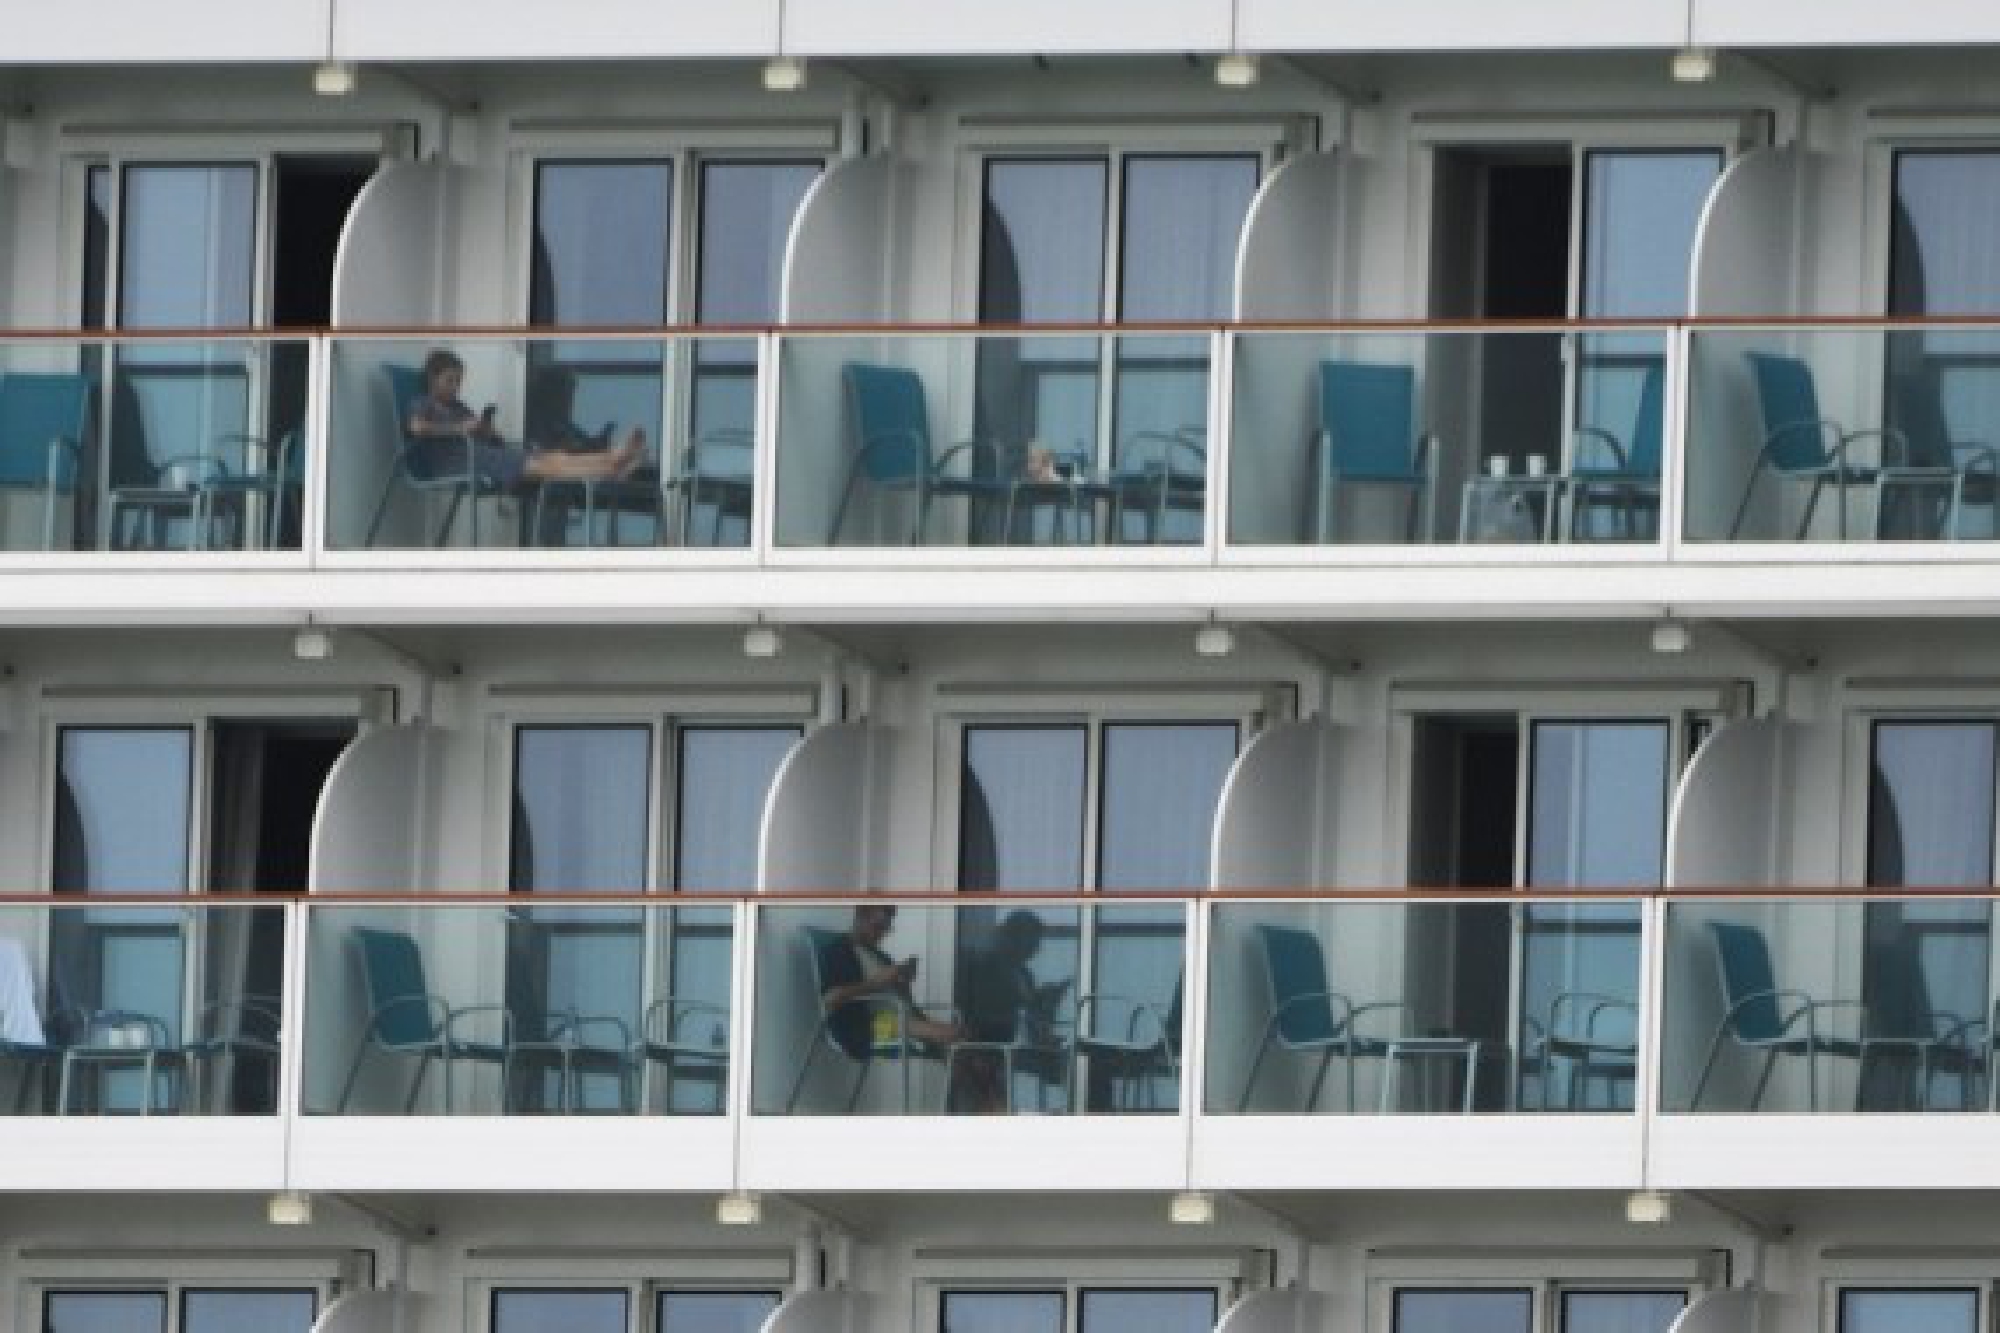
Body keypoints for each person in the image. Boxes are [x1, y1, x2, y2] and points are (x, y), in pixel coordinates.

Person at [405, 348, 646, 494]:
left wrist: (485, 430)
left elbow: (478, 435)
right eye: (450, 380)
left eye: (459, 381)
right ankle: (612, 464)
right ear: (432, 378)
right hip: (455, 464)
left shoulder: (458, 406)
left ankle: (613, 460)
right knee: (546, 466)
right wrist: (460, 427)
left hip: (482, 456)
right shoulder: (423, 402)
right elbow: (417, 427)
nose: (455, 387)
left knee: (553, 458)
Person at [816, 904, 963, 1065]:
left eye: (886, 929)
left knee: (961, 1046)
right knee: (953, 1037)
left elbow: (904, 1001)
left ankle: (979, 1086)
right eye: (877, 927)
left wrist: (903, 984)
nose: (881, 935)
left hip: (900, 1018)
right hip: (867, 1026)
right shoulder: (837, 951)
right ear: (860, 916)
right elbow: (830, 999)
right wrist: (876, 983)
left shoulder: (882, 957)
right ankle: (977, 1083)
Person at [955, 909, 1069, 1112]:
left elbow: (1034, 1021)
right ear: (1014, 939)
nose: (1037, 949)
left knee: (1084, 1067)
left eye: (1037, 943)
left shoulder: (1025, 974)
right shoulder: (984, 966)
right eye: (1033, 941)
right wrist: (1022, 1006)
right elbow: (979, 1012)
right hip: (988, 1047)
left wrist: (1047, 1003)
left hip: (1018, 1047)